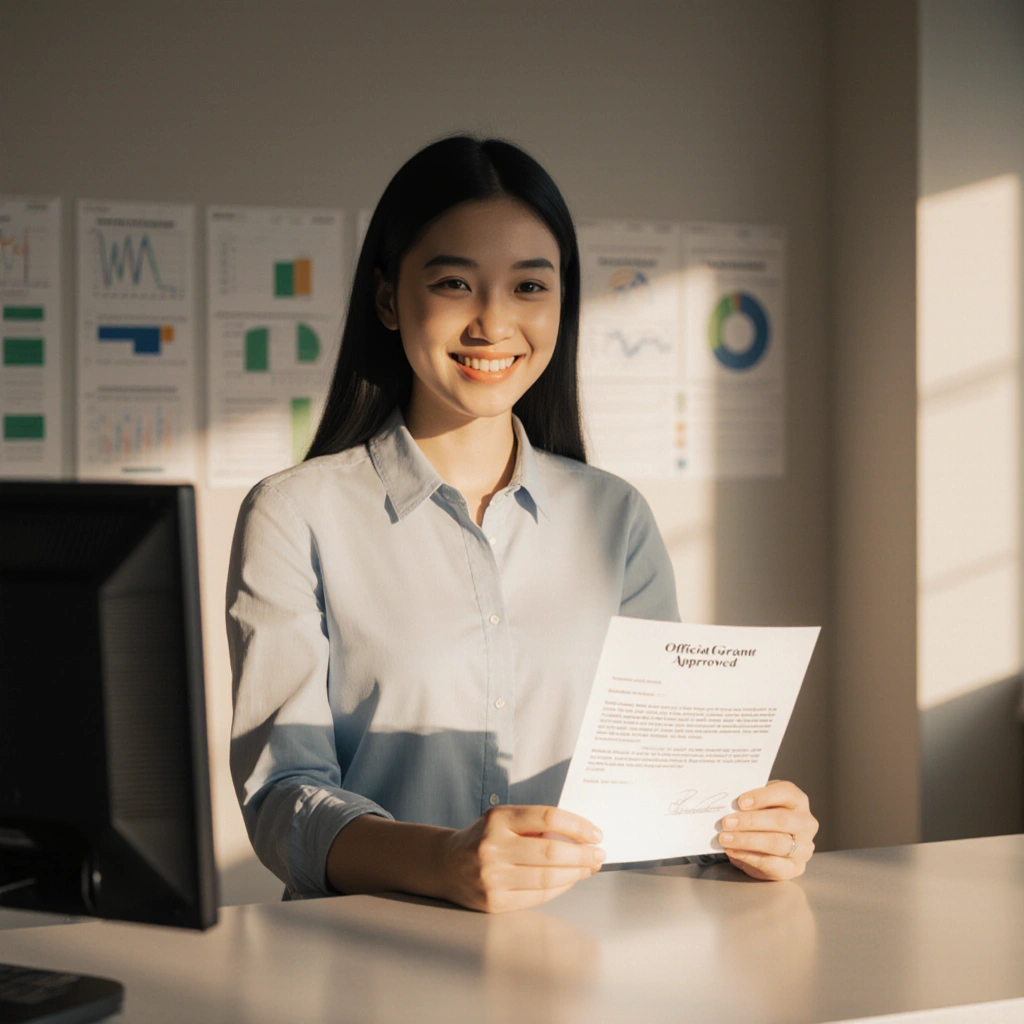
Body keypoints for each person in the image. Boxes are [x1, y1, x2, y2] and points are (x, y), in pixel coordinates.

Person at [227, 135, 819, 914]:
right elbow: (284, 800)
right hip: (373, 970)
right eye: (452, 283)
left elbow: (654, 780)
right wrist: (443, 862)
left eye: (530, 286)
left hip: (595, 967)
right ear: (386, 299)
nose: (493, 323)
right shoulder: (295, 514)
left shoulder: (616, 518)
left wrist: (744, 831)